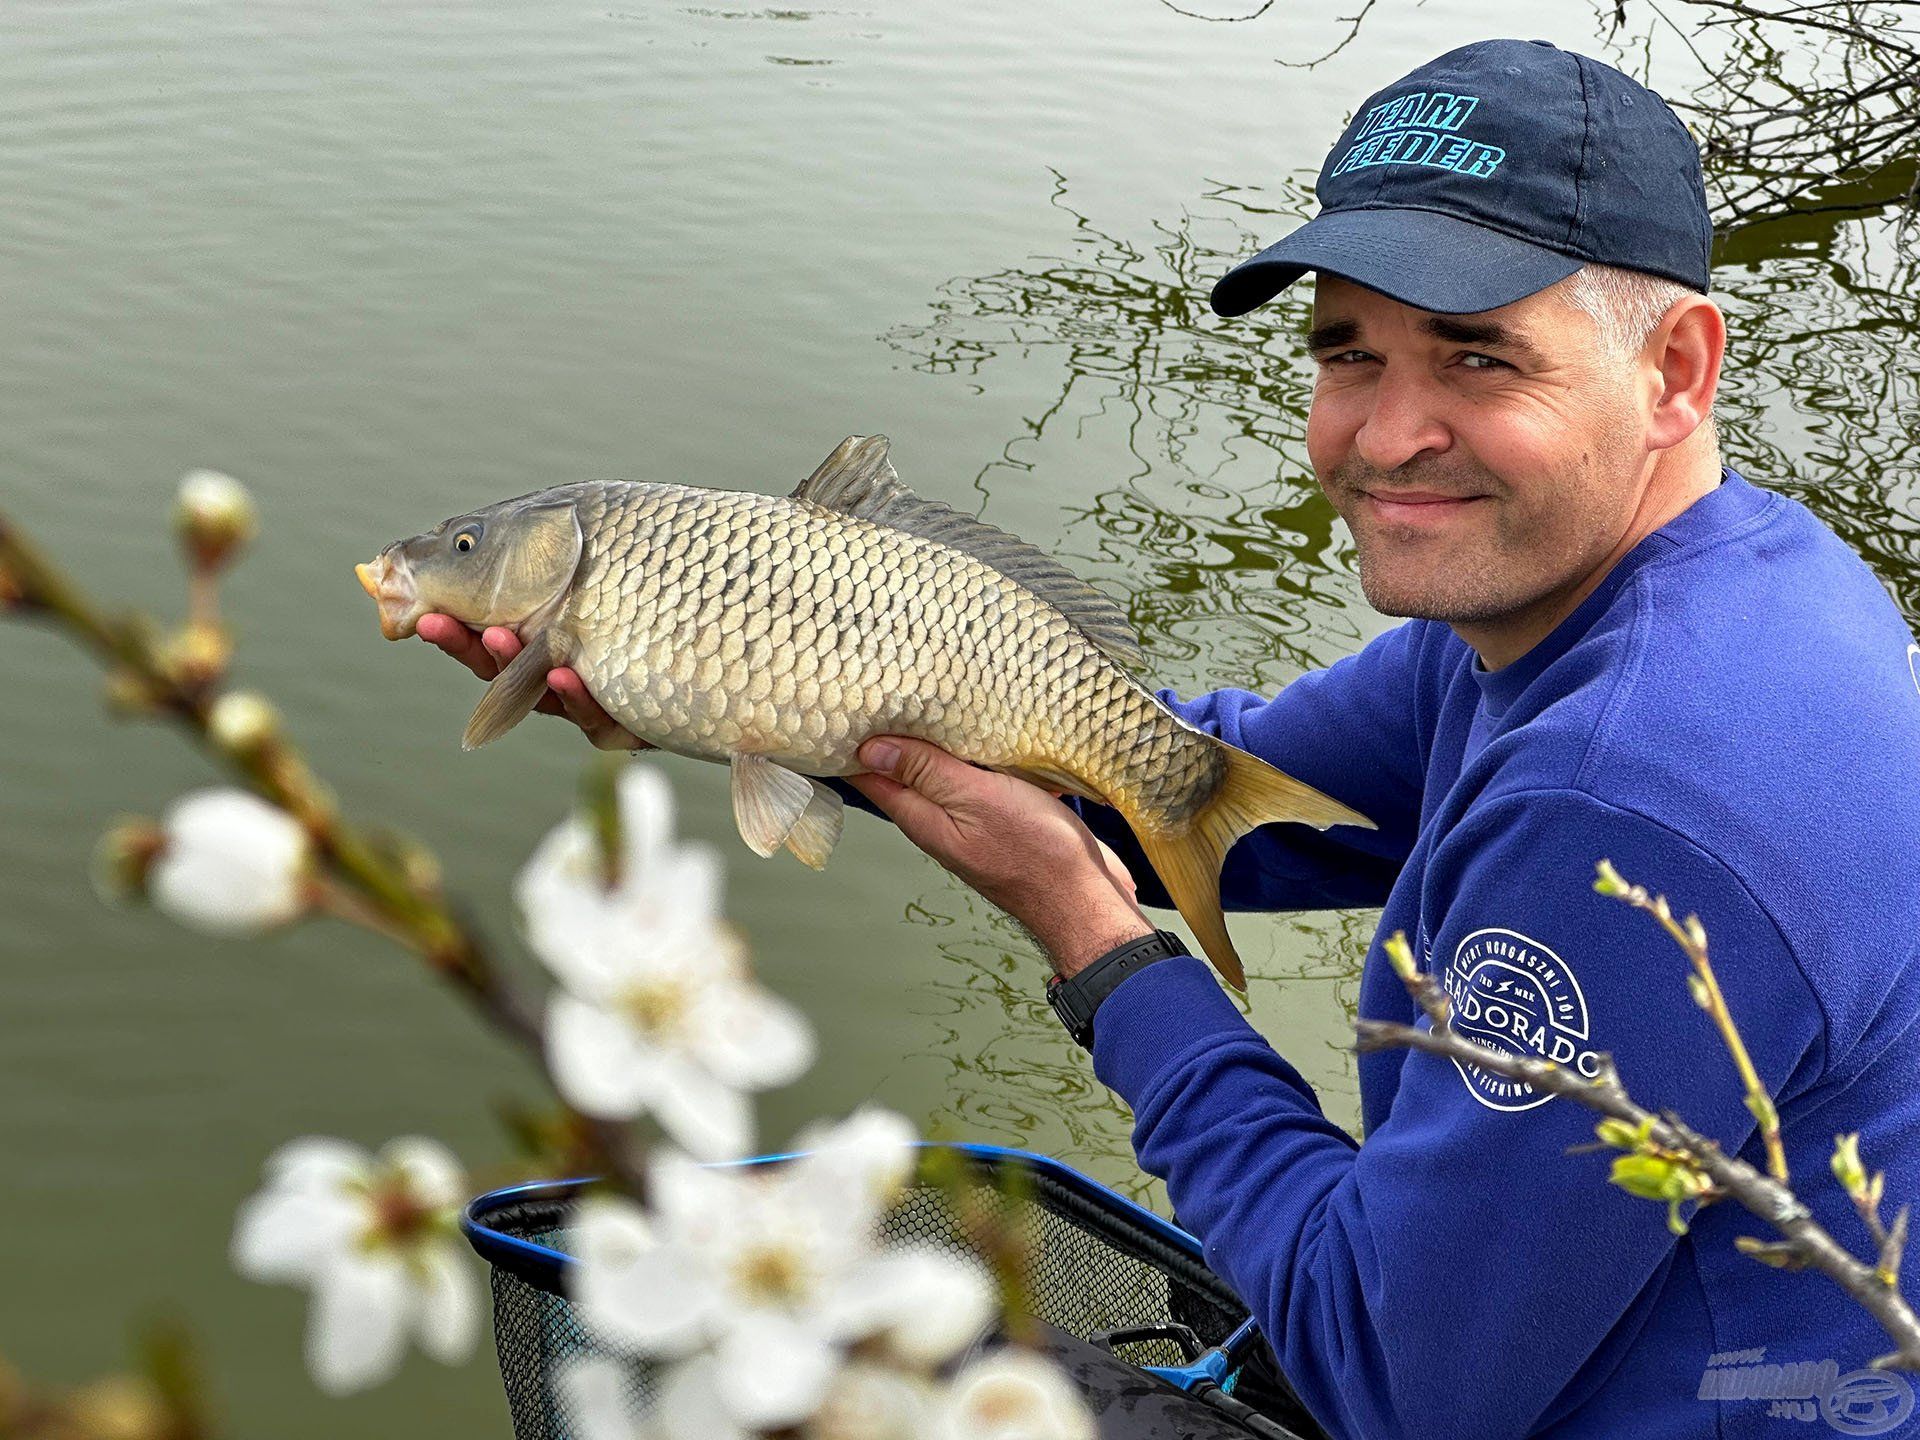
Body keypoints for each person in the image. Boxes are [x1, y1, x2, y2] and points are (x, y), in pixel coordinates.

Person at [420, 39, 1920, 1439]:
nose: (1382, 435)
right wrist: (799, 708)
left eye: (1477, 357)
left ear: (1677, 371)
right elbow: (1202, 782)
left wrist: (1088, 931)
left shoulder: (1637, 801)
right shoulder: (1637, 593)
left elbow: (1393, 1383)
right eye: (1348, 353)